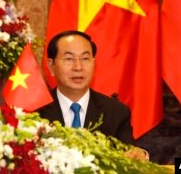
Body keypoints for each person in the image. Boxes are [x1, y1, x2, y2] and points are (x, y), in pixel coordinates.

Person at [37, 30, 148, 159]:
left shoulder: (116, 112)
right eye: (69, 59)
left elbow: (130, 153)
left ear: (94, 65)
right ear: (51, 66)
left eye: (85, 59)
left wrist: (140, 155)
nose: (78, 67)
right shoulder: (34, 111)